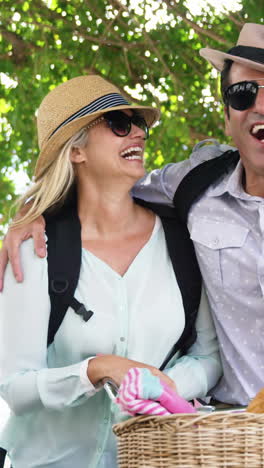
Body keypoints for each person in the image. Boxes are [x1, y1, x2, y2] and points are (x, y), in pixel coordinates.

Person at [1, 22, 264, 407]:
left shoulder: (174, 220)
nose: (139, 135)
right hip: (228, 440)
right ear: (226, 116)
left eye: (137, 124)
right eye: (244, 94)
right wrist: (30, 215)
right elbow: (103, 193)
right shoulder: (193, 190)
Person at [0, 75, 221, 468]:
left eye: (139, 123)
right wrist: (96, 370)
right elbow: (14, 386)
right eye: (119, 123)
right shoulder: (35, 250)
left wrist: (168, 383)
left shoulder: (182, 241)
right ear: (76, 151)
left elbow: (208, 356)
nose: (137, 132)